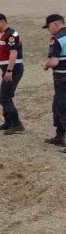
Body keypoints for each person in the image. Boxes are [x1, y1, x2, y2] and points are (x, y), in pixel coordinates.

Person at [0, 13, 25, 134]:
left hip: (13, 70)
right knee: (5, 96)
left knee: (5, 98)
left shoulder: (10, 35)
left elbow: (13, 53)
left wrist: (9, 71)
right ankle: (8, 122)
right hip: (9, 70)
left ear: (1, 22)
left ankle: (16, 124)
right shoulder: (6, 34)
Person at [41, 14, 66, 149]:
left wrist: (46, 65)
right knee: (58, 105)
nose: (49, 30)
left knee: (62, 108)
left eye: (49, 27)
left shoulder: (56, 39)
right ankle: (59, 136)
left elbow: (54, 61)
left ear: (55, 25)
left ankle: (61, 137)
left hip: (62, 79)